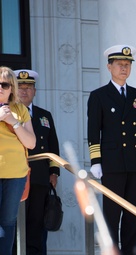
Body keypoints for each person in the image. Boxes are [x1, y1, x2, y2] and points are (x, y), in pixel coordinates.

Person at [87, 45, 136, 255]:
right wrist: (96, 161)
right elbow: (94, 130)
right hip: (112, 163)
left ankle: (129, 251)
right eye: (119, 64)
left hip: (134, 162)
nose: (124, 68)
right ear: (109, 66)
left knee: (133, 214)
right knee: (112, 215)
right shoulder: (99, 96)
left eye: (127, 64)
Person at [13, 69, 60, 255]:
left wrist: (53, 172)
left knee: (36, 223)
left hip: (40, 177)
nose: (24, 91)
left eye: (29, 87)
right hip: (15, 177)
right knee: (15, 222)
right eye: (20, 87)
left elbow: (52, 146)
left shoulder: (44, 115)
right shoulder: (7, 114)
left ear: (35, 91)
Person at [0, 66, 36, 255]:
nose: (0, 87)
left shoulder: (20, 109)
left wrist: (12, 121)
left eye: (5, 84)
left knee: (8, 222)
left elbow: (31, 143)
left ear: (11, 88)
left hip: (16, 174)